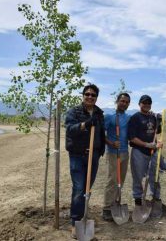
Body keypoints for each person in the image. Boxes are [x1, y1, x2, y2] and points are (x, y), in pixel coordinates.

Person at [65, 84, 105, 238]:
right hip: (77, 155)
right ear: (83, 95)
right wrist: (85, 124)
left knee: (87, 189)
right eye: (87, 94)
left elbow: (101, 132)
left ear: (96, 97)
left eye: (93, 95)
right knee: (79, 188)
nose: (90, 96)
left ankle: (84, 217)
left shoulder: (99, 113)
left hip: (93, 155)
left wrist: (101, 148)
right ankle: (75, 222)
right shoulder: (74, 111)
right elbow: (69, 129)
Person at [128, 95, 163, 208]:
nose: (147, 105)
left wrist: (159, 120)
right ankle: (138, 201)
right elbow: (132, 138)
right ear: (139, 104)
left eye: (149, 103)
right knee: (138, 177)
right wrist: (147, 145)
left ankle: (155, 199)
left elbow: (156, 132)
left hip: (153, 152)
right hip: (139, 152)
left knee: (155, 176)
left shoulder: (153, 117)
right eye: (144, 103)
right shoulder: (135, 118)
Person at [102, 92, 131, 221]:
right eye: (122, 101)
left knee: (121, 180)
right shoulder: (109, 117)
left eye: (126, 102)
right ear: (117, 101)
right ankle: (107, 208)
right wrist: (111, 143)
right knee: (112, 180)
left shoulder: (128, 118)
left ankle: (115, 203)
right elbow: (101, 134)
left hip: (125, 152)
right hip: (114, 153)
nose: (124, 103)